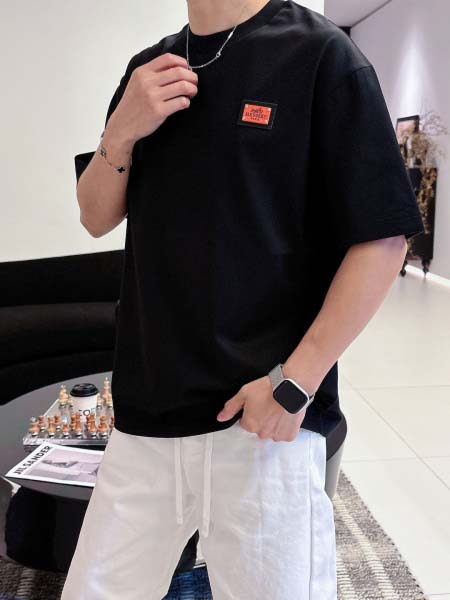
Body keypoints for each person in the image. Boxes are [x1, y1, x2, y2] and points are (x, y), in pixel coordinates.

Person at [62, 0, 425, 598]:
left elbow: (383, 240)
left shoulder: (320, 55)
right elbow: (95, 215)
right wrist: (120, 131)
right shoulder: (147, 69)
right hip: (147, 414)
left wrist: (294, 383)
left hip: (262, 422)